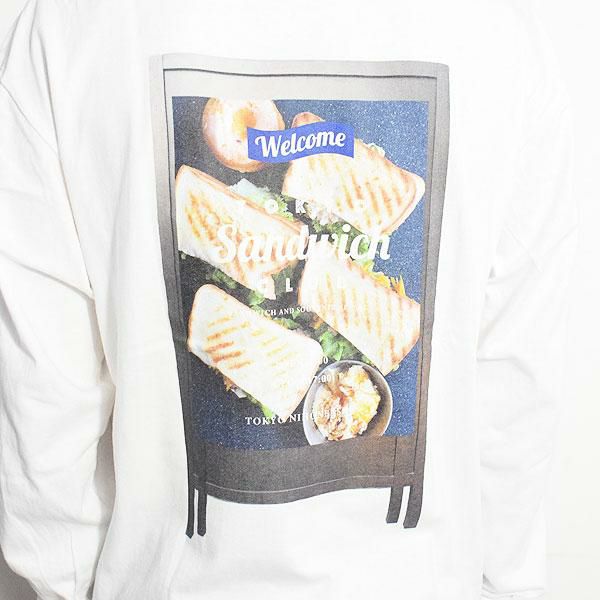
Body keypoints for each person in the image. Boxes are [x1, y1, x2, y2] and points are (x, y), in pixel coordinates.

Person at [0, 1, 577, 599]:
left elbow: (43, 421)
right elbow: (517, 402)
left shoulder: (65, 28)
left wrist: (70, 583)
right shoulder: (506, 38)